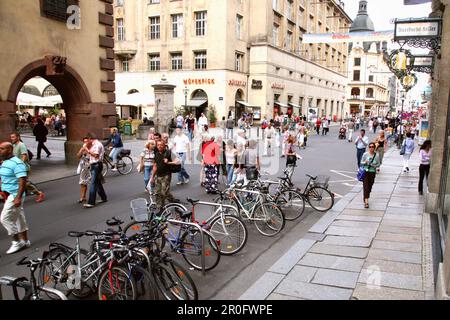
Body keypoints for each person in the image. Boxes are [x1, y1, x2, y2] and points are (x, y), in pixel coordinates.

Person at [0, 142, 31, 254]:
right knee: (19, 217)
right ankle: (25, 241)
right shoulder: (5, 162)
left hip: (14, 195)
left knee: (5, 218)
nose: (0, 150)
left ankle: (16, 242)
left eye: (2, 149)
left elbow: (22, 180)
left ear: (10, 149)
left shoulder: (17, 163)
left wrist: (17, 197)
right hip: (7, 194)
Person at [10, 132, 45, 203]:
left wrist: (20, 165)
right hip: (16, 168)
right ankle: (16, 196)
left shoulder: (21, 145)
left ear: (18, 137)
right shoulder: (13, 145)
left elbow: (24, 156)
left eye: (13, 137)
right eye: (11, 137)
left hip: (23, 167)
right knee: (20, 183)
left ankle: (39, 193)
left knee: (24, 183)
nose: (11, 138)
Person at [83, 133, 107, 208]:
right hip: (95, 165)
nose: (86, 142)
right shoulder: (94, 144)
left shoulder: (97, 145)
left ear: (90, 139)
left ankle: (91, 202)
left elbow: (96, 156)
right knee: (98, 182)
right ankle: (103, 197)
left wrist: (87, 149)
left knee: (93, 183)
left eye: (87, 140)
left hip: (96, 165)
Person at [151, 140, 177, 209]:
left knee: (164, 192)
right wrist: (152, 177)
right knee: (157, 192)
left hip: (166, 175)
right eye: (158, 145)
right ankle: (159, 206)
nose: (159, 146)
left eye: (161, 145)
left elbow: (177, 162)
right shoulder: (156, 154)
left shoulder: (168, 153)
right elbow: (155, 166)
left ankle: (165, 205)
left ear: (164, 146)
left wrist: (168, 162)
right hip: (158, 175)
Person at [361, 142, 381, 209]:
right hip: (365, 172)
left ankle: (366, 196)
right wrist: (365, 162)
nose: (371, 148)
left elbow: (378, 164)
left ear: (374, 147)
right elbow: (361, 162)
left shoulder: (377, 155)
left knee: (370, 186)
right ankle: (366, 201)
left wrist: (373, 165)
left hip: (372, 172)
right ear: (368, 147)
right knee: (366, 186)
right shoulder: (365, 154)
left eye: (372, 147)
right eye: (370, 147)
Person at [76, 137, 91, 203]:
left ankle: (100, 194)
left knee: (94, 182)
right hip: (83, 167)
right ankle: (82, 197)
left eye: (87, 141)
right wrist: (82, 150)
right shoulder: (83, 149)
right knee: (83, 183)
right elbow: (78, 156)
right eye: (84, 141)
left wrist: (87, 150)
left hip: (90, 167)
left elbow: (93, 157)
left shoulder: (91, 149)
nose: (85, 143)